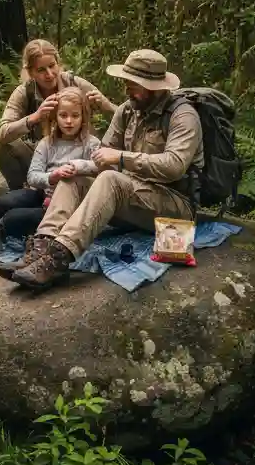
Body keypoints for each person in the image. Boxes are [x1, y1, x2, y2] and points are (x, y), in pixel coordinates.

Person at [11, 49, 204, 292]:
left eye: (133, 84)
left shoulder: (183, 115)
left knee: (111, 179)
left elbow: (175, 166)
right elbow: (104, 153)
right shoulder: (128, 110)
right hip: (132, 196)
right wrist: (82, 165)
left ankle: (58, 258)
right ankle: (41, 248)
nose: (127, 89)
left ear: (154, 86)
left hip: (174, 205)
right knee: (77, 179)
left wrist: (121, 158)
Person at [0, 86, 101, 258]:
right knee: (5, 202)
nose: (69, 121)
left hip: (66, 206)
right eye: (63, 115)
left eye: (75, 116)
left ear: (84, 117)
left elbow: (100, 166)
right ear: (55, 117)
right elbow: (33, 176)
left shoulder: (91, 143)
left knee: (15, 217)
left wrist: (78, 166)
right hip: (43, 194)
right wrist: (52, 176)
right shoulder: (47, 143)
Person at [0, 39, 116, 200]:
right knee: (0, 150)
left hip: (79, 154)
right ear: (31, 72)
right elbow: (2, 133)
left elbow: (122, 115)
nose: (49, 74)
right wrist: (34, 117)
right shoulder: (25, 93)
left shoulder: (74, 83)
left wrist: (105, 105)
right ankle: (25, 193)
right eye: (41, 70)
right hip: (42, 157)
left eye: (52, 66)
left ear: (58, 63)